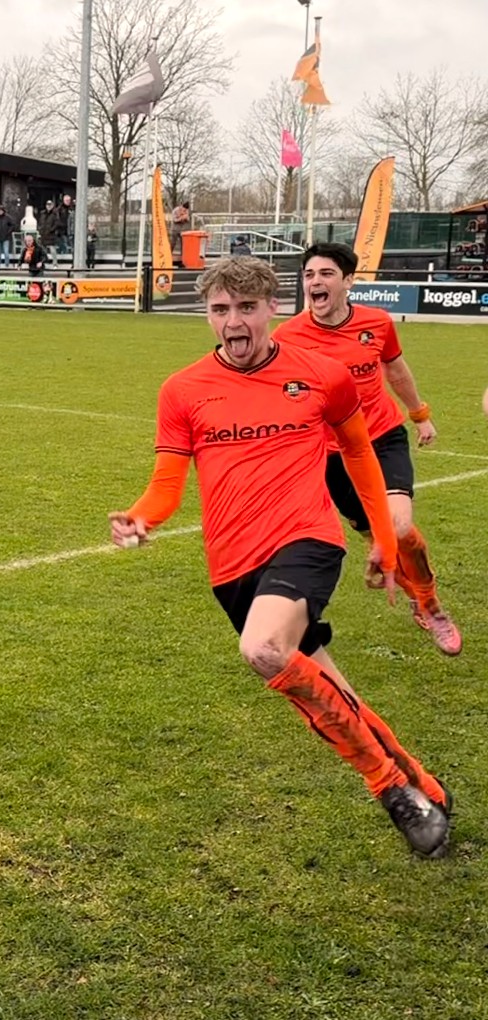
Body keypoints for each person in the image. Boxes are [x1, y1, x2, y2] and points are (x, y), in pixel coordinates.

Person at [108, 256, 451, 859]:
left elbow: (361, 457)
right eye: (220, 310)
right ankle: (421, 781)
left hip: (307, 537)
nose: (233, 322)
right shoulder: (182, 389)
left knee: (263, 649)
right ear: (207, 315)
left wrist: (382, 536)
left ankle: (389, 788)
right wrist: (143, 517)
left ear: (271, 309)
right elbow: (167, 482)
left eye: (246, 308)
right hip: (233, 562)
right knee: (326, 688)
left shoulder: (321, 375)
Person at [273, 242, 461, 655]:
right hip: (331, 454)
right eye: (309, 275)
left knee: (397, 528)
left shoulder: (376, 323)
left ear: (348, 281)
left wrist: (420, 413)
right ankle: (417, 598)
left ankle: (430, 604)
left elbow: (395, 369)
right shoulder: (288, 337)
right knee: (373, 537)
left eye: (325, 274)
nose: (315, 282)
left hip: (381, 437)